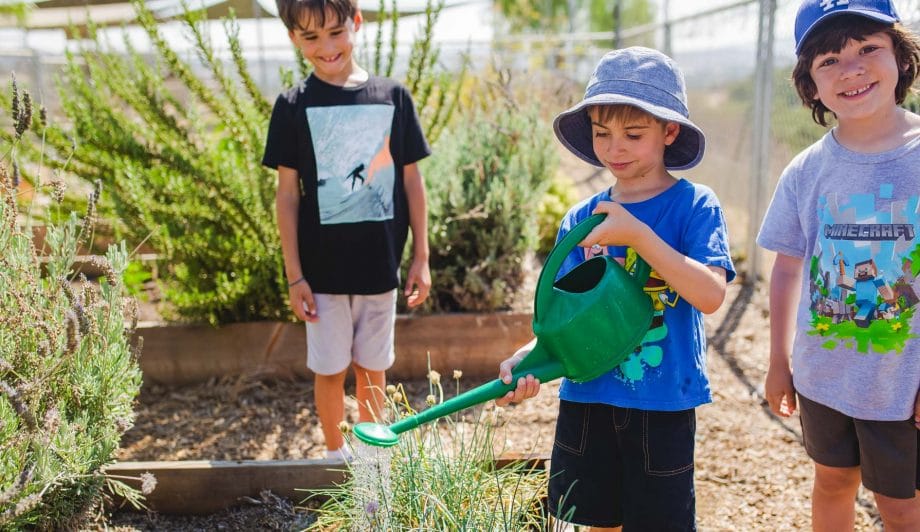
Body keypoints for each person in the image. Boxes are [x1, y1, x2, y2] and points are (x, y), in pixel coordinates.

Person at [497, 47, 735, 531]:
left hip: (662, 402)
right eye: (602, 134)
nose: (614, 148)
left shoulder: (694, 206)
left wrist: (638, 237)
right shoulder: (581, 219)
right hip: (588, 396)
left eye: (633, 134)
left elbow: (710, 295)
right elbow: (567, 315)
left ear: (669, 132)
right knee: (595, 520)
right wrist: (531, 355)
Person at [757, 0, 920, 529]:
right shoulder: (806, 171)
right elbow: (786, 269)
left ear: (901, 55)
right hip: (822, 378)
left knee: (901, 507)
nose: (850, 68)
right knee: (831, 482)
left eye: (868, 49)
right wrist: (779, 361)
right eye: (828, 60)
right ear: (810, 83)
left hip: (902, 386)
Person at [262, 0, 431, 461]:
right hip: (322, 279)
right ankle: (337, 459)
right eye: (311, 37)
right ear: (294, 37)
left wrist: (421, 257)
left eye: (335, 32)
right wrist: (295, 275)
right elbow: (287, 195)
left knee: (374, 369)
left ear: (356, 24)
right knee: (331, 369)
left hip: (380, 270)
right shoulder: (292, 106)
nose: (327, 47)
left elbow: (412, 181)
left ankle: (372, 457)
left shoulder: (392, 97)